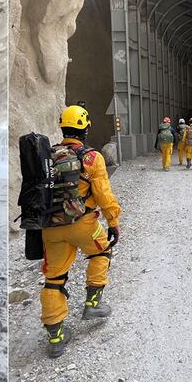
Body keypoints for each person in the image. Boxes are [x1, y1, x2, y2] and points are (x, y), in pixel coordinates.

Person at [40, 105, 121, 358]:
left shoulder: (46, 156)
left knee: (54, 278)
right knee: (102, 252)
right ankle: (92, 304)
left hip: (51, 228)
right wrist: (113, 221)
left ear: (62, 127)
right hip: (83, 224)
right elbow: (103, 194)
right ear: (85, 128)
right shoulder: (91, 157)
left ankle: (56, 337)